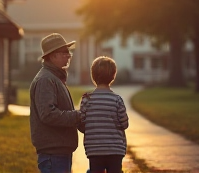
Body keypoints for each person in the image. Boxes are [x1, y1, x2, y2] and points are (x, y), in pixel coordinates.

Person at [29, 33, 82, 173]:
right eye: (64, 52)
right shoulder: (46, 80)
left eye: (69, 52)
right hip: (54, 155)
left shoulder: (54, 78)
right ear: (52, 56)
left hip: (59, 153)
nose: (69, 55)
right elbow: (48, 114)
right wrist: (77, 116)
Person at [79, 56, 129, 173]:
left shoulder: (87, 99)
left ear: (93, 76)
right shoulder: (117, 100)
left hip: (94, 150)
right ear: (113, 76)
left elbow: (81, 124)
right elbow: (124, 124)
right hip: (115, 150)